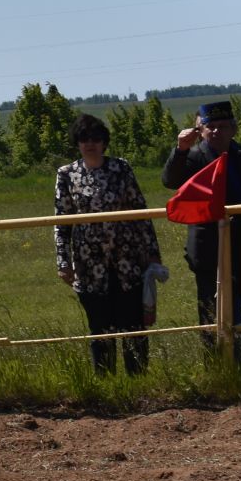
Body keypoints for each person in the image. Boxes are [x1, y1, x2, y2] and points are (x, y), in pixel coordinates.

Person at [162, 101, 241, 362]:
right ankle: (227, 373)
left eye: (222, 126)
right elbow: (170, 180)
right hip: (211, 251)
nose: (216, 132)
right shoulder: (193, 157)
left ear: (233, 128)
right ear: (201, 130)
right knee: (221, 318)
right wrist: (180, 149)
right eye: (210, 127)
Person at [56, 114, 163, 373]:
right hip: (89, 265)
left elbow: (141, 212)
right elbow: (61, 221)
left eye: (95, 138)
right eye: (84, 139)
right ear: (77, 143)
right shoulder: (67, 174)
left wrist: (152, 253)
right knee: (100, 326)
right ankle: (105, 383)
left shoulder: (121, 168)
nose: (90, 144)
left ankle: (138, 381)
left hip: (127, 261)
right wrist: (63, 261)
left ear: (104, 142)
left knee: (133, 325)